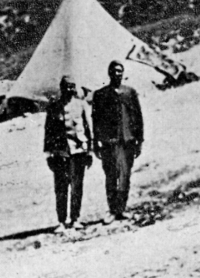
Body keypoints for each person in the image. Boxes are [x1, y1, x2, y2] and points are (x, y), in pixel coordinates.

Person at [92, 61, 144, 222]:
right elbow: (96, 120)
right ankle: (112, 210)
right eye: (114, 71)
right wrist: (96, 143)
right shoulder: (100, 94)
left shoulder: (130, 92)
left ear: (123, 73)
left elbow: (138, 117)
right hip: (110, 142)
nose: (117, 74)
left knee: (125, 176)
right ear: (109, 73)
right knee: (111, 176)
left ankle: (121, 209)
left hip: (128, 141)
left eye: (120, 71)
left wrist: (139, 141)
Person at [43, 76, 94, 233]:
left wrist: (90, 151)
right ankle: (61, 221)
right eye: (66, 87)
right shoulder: (54, 107)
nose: (69, 90)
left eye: (72, 87)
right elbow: (48, 132)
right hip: (60, 154)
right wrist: (48, 154)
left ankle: (75, 219)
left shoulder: (80, 105)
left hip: (78, 152)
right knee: (61, 188)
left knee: (77, 187)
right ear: (61, 88)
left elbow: (87, 128)